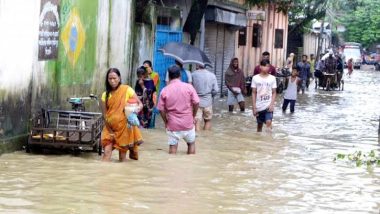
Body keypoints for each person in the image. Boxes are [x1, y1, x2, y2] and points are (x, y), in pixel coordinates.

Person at [101, 68, 144, 162]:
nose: (112, 81)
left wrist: (136, 109)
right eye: (110, 79)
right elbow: (105, 115)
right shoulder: (105, 95)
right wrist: (110, 130)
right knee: (106, 153)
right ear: (107, 80)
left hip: (124, 129)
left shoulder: (127, 90)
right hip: (109, 128)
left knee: (122, 157)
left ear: (119, 78)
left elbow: (140, 104)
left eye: (114, 78)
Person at [158, 65, 200, 155]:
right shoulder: (189, 87)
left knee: (172, 148)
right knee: (191, 144)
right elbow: (196, 102)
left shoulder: (165, 90)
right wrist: (193, 116)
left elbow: (160, 109)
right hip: (188, 123)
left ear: (169, 76)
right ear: (180, 75)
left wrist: (166, 122)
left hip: (173, 125)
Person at [251, 60, 277, 132]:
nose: (266, 68)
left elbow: (274, 92)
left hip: (268, 106)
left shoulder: (272, 78)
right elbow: (253, 93)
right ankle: (259, 141)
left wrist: (271, 105)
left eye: (268, 66)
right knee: (259, 126)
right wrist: (254, 107)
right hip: (259, 106)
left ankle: (269, 141)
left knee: (268, 122)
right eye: (264, 66)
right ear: (260, 67)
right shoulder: (255, 78)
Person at [192, 64, 218, 131]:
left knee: (197, 121)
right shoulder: (212, 75)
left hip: (197, 102)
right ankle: (205, 137)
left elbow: (190, 88)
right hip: (208, 102)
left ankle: (199, 140)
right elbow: (216, 90)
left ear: (197, 65)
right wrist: (210, 96)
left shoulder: (193, 74)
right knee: (208, 120)